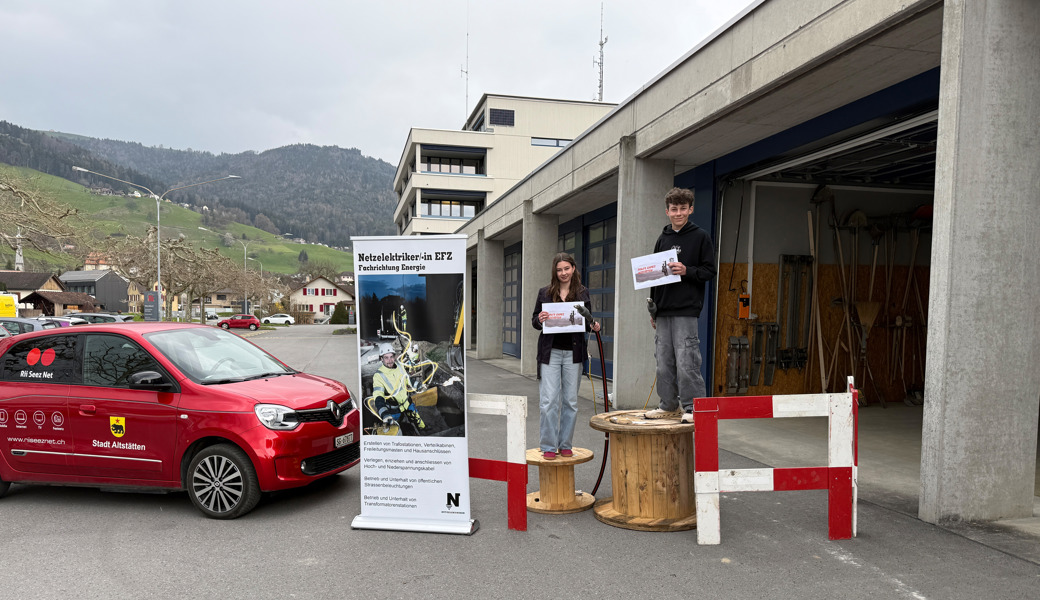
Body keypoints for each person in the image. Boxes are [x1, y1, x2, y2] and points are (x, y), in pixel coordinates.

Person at [645, 187, 716, 423]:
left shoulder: (701, 236)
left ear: (690, 209)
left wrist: (687, 270)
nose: (678, 213)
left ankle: (693, 408)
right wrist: (653, 309)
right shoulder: (662, 238)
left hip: (686, 309)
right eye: (674, 209)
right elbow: (654, 278)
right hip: (663, 310)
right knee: (663, 363)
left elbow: (709, 271)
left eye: (683, 209)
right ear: (667, 211)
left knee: (688, 361)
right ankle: (668, 405)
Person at [532, 253, 601, 460]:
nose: (563, 273)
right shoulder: (545, 292)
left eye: (566, 268)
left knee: (570, 401)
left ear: (573, 268)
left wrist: (594, 325)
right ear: (555, 271)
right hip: (550, 353)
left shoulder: (582, 292)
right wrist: (540, 319)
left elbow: (587, 321)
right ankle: (548, 446)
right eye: (559, 269)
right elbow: (535, 321)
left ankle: (565, 444)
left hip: (573, 353)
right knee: (549, 401)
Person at [372, 343, 426, 433]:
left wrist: (417, 385)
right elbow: (378, 396)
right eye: (386, 357)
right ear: (381, 359)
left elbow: (407, 379)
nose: (390, 360)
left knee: (416, 417)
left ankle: (423, 428)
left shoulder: (400, 366)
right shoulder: (378, 376)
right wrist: (385, 414)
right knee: (394, 428)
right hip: (393, 409)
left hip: (407, 402)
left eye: (391, 357)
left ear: (394, 356)